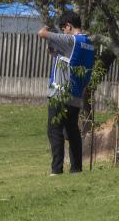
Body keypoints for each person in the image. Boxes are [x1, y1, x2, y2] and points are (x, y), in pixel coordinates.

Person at [38, 11, 95, 175]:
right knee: (72, 130)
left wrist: (46, 27)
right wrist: (55, 53)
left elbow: (42, 33)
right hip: (76, 93)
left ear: (69, 26)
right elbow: (71, 59)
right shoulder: (88, 42)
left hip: (60, 92)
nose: (63, 32)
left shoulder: (71, 39)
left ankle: (56, 169)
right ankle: (76, 168)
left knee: (54, 130)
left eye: (63, 28)